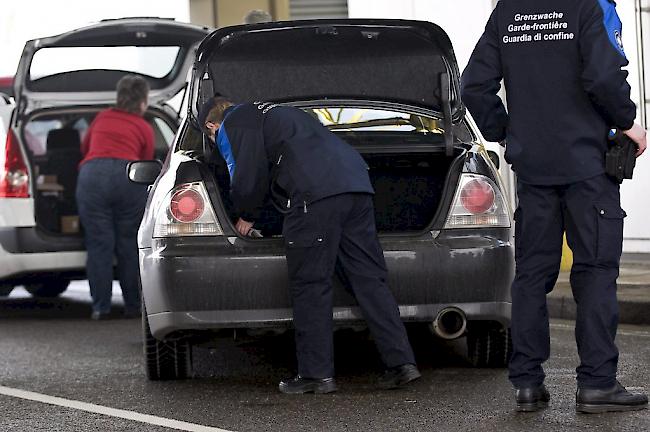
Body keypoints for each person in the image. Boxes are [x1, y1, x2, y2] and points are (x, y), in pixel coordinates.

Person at [461, 0, 648, 413]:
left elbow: (473, 84)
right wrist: (629, 121)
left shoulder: (508, 11)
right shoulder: (586, 6)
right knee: (596, 272)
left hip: (533, 168)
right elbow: (603, 76)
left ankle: (527, 385)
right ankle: (598, 384)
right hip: (588, 167)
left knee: (530, 276)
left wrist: (505, 133)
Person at [198, 97, 420, 394]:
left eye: (212, 136)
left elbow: (245, 174)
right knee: (369, 280)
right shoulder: (281, 112)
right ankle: (402, 364)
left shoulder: (233, 122)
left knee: (311, 283)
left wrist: (247, 215)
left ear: (212, 125)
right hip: (356, 184)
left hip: (314, 196)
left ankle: (316, 375)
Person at [76, 75, 154, 320]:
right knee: (129, 244)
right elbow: (145, 160)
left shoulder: (102, 117)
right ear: (142, 101)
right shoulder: (143, 126)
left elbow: (85, 147)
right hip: (127, 175)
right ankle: (133, 306)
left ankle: (101, 307)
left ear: (119, 97)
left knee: (99, 244)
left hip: (92, 176)